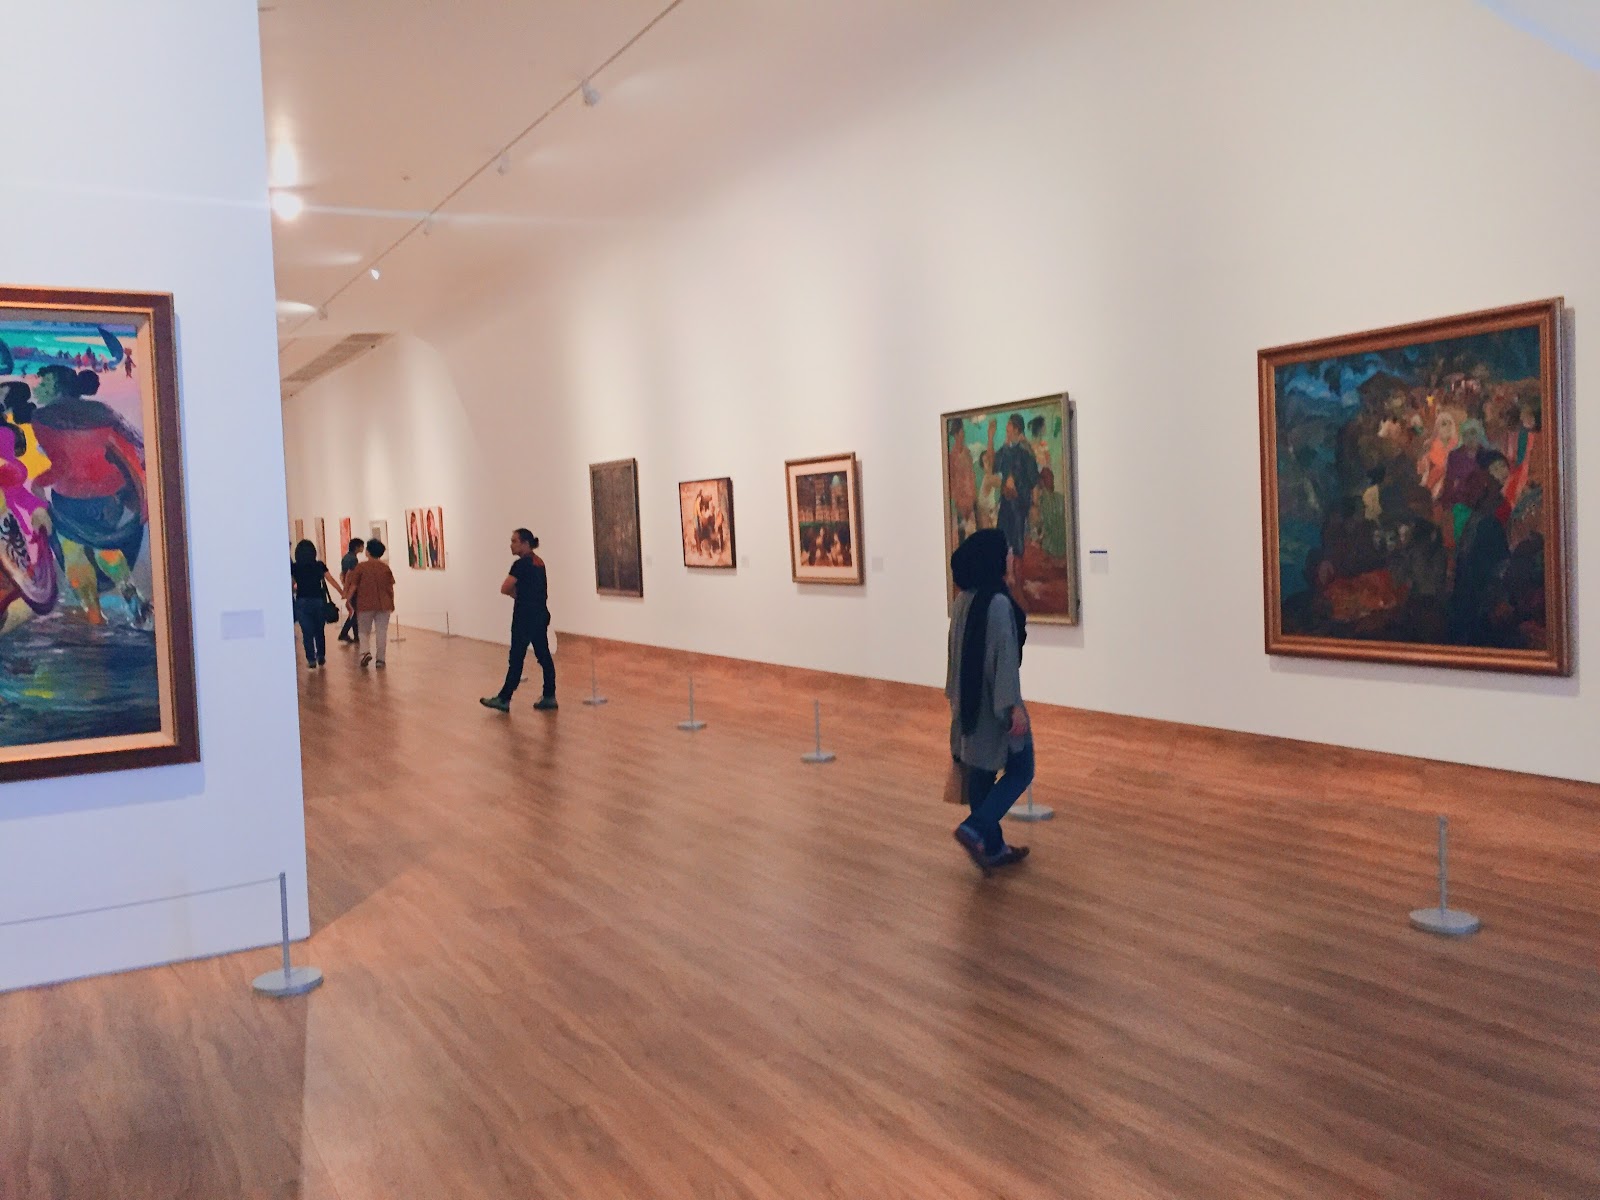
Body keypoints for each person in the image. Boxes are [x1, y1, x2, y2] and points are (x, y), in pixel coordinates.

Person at [945, 528, 1032, 872]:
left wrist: (954, 702)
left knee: (981, 775)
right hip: (995, 705)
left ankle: (993, 848)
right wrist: (1011, 708)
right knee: (1022, 769)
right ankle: (976, 827)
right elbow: (1004, 658)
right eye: (1006, 551)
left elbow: (954, 657)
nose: (1011, 556)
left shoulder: (963, 600)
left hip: (968, 704)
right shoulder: (996, 604)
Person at [480, 528, 556, 711]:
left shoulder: (520, 564)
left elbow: (505, 587)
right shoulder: (539, 562)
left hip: (524, 617)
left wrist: (518, 595)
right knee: (544, 656)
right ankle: (549, 695)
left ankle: (504, 698)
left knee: (516, 658)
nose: (511, 545)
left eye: (514, 541)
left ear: (525, 543)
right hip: (540, 615)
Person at [343, 538, 396, 668]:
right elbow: (390, 587)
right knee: (381, 631)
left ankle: (365, 652)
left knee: (363, 630)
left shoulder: (361, 567)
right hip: (384, 604)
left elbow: (354, 585)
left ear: (368, 552)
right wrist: (391, 602)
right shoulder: (385, 568)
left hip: (365, 604)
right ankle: (380, 659)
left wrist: (348, 599)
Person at [290, 539, 342, 669]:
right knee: (319, 630)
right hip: (318, 601)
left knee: (307, 632)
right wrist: (341, 592)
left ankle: (311, 659)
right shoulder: (319, 565)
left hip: (302, 601)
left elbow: (291, 583)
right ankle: (321, 655)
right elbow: (330, 579)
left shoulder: (295, 567)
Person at [337, 537, 363, 644]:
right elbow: (349, 574)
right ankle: (344, 633)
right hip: (352, 588)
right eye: (361, 546)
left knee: (355, 611)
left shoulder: (346, 557)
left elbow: (343, 574)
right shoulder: (353, 559)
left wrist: (345, 587)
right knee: (354, 612)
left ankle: (356, 636)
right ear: (357, 547)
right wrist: (347, 589)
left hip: (349, 587)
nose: (363, 548)